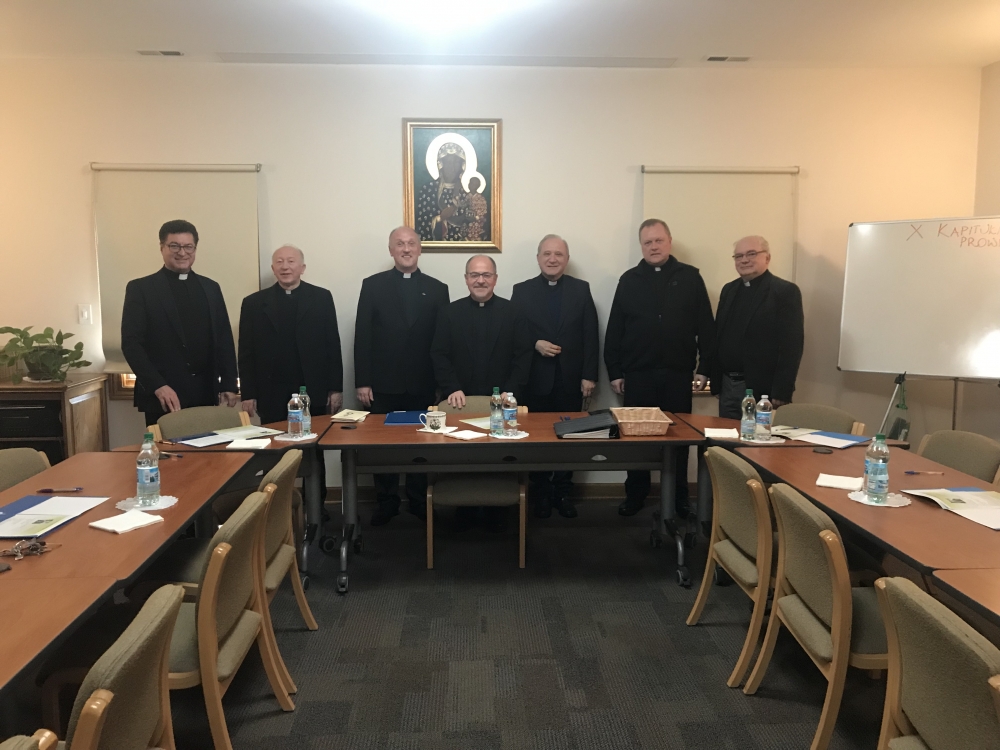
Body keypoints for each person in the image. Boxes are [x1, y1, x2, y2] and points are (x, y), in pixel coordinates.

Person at [604, 218, 716, 517]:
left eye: (658, 240)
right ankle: (635, 493)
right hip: (638, 375)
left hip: (677, 375)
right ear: (641, 246)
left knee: (679, 438)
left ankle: (679, 496)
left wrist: (704, 367)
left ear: (669, 242)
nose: (653, 247)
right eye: (647, 242)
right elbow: (615, 329)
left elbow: (706, 326)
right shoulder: (629, 280)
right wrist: (615, 371)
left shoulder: (690, 277)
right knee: (635, 439)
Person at [355, 226, 450, 526]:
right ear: (391, 250)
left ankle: (419, 500)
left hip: (423, 384)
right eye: (399, 244)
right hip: (382, 384)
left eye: (411, 244)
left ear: (420, 249)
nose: (406, 249)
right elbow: (363, 336)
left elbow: (443, 341)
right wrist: (363, 381)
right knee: (382, 447)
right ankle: (386, 502)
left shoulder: (438, 289)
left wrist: (442, 384)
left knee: (421, 446)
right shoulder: (372, 286)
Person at [431, 254, 532, 531]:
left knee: (498, 455)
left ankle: (498, 506)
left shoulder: (513, 312)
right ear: (466, 279)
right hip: (460, 399)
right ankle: (464, 506)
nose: (480, 280)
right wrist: (451, 387)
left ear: (495, 279)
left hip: (501, 400)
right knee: (464, 454)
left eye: (486, 275)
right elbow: (439, 354)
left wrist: (511, 391)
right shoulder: (449, 312)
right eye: (474, 275)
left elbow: (523, 356)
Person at [511, 234, 599, 519]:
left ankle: (562, 493)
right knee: (536, 441)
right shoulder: (521, 291)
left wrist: (589, 375)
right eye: (547, 254)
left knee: (569, 440)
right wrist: (535, 343)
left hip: (570, 380)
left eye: (558, 254)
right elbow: (513, 334)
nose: (552, 259)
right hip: (534, 380)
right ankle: (539, 494)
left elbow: (590, 334)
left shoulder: (581, 289)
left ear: (567, 259)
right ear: (538, 258)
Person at [122, 219, 238, 425]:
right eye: (174, 246)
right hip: (164, 394)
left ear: (195, 249)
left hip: (205, 392)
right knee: (167, 446)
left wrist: (229, 383)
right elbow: (131, 344)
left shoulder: (211, 288)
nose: (182, 253)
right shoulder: (141, 289)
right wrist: (158, 385)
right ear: (162, 248)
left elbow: (223, 338)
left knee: (208, 446)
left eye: (188, 247)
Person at [238, 245, 343, 424]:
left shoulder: (321, 298)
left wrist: (335, 389)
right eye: (279, 262)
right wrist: (248, 394)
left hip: (312, 389)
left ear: (302, 268)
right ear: (273, 269)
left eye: (291, 261)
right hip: (271, 392)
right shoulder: (253, 303)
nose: (285, 267)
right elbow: (246, 353)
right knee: (274, 438)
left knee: (315, 438)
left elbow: (332, 345)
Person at [711, 235, 804, 418]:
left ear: (767, 258)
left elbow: (792, 345)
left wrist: (782, 390)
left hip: (762, 389)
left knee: (756, 436)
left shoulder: (784, 291)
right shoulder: (729, 290)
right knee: (725, 434)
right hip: (727, 385)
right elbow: (718, 336)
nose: (744, 260)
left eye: (751, 254)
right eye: (739, 256)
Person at [415, 143, 473, 242]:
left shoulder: (465, 194)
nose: (452, 168)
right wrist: (440, 218)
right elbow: (421, 222)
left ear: (462, 166)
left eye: (456, 163)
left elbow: (471, 223)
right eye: (448, 162)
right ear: (441, 164)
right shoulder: (428, 190)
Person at [464, 176, 488, 241]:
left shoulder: (481, 198)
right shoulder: (465, 197)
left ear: (478, 186)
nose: (470, 185)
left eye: (473, 184)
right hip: (466, 226)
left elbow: (483, 213)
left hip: (477, 228)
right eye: (470, 183)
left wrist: (475, 218)